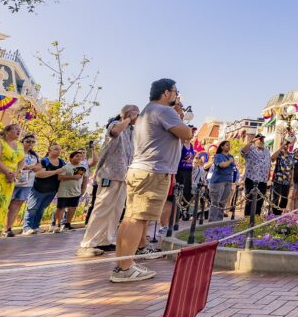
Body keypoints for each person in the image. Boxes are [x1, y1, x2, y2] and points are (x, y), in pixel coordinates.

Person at [111, 78, 191, 283]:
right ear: (166, 93)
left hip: (142, 170)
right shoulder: (164, 110)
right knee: (137, 218)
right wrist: (180, 116)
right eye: (175, 91)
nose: (176, 95)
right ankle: (125, 268)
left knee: (132, 217)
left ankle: (124, 263)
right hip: (153, 172)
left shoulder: (148, 110)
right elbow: (186, 133)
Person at [78, 106, 138, 256]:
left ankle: (105, 240)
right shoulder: (115, 124)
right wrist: (128, 118)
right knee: (102, 207)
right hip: (109, 174)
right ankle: (87, 243)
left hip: (123, 176)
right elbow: (115, 132)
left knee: (116, 209)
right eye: (137, 113)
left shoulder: (131, 131)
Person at [22, 143, 65, 235]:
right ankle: (27, 228)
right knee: (32, 208)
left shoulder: (61, 162)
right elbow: (39, 174)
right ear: (49, 151)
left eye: (59, 149)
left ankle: (36, 226)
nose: (58, 151)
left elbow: (63, 173)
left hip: (52, 189)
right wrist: (55, 172)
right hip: (38, 188)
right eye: (56, 149)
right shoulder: (44, 161)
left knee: (42, 208)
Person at [5, 133, 41, 237]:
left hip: (26, 183)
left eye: (33, 142)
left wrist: (31, 167)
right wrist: (28, 167)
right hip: (13, 181)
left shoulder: (35, 155)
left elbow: (39, 167)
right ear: (22, 142)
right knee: (5, 204)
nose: (30, 144)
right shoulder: (16, 151)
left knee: (16, 206)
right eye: (28, 141)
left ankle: (8, 228)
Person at [54, 149, 89, 231]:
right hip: (64, 190)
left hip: (76, 191)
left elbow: (83, 178)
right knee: (61, 207)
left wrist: (83, 189)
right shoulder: (66, 167)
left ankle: (67, 224)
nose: (79, 158)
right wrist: (73, 177)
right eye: (77, 156)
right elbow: (60, 177)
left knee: (72, 207)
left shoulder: (82, 167)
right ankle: (57, 225)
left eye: (80, 156)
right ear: (71, 158)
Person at [241, 133, 271, 216]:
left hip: (263, 179)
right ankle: (247, 219)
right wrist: (251, 141)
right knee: (250, 200)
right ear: (255, 140)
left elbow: (269, 162)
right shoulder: (250, 148)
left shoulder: (267, 150)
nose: (261, 141)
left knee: (260, 201)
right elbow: (242, 151)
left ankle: (256, 218)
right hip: (251, 179)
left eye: (262, 139)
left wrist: (268, 173)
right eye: (260, 139)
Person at [206, 141, 235, 220]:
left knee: (223, 202)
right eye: (226, 145)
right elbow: (222, 165)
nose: (228, 146)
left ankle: (219, 221)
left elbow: (233, 168)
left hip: (228, 180)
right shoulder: (218, 156)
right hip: (218, 181)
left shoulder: (231, 156)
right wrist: (230, 161)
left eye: (229, 145)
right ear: (221, 147)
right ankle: (212, 221)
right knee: (215, 202)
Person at [269, 141, 296, 215]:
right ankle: (275, 214)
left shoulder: (291, 155)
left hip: (286, 180)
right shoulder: (278, 154)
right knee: (276, 198)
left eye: (287, 144)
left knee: (284, 199)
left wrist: (292, 179)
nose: (285, 146)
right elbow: (272, 158)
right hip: (277, 179)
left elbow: (292, 168)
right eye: (284, 144)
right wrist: (280, 148)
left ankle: (279, 213)